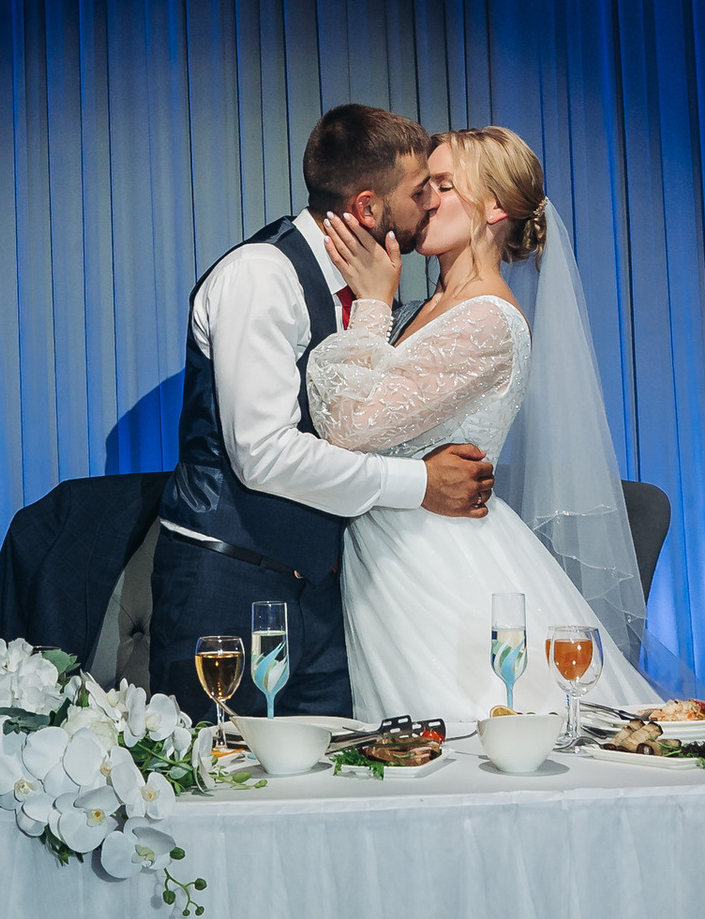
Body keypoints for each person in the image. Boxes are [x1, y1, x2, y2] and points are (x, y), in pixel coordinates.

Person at [147, 105, 498, 724]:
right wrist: (420, 485)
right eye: (421, 192)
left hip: (326, 594)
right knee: (221, 796)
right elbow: (266, 454)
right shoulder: (263, 277)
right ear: (367, 208)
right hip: (227, 586)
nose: (431, 205)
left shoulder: (373, 294)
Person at [307, 125, 664, 724]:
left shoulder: (489, 321)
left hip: (435, 564)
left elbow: (348, 425)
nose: (425, 201)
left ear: (495, 207)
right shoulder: (429, 307)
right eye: (424, 186)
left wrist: (369, 305)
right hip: (393, 556)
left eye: (442, 185)